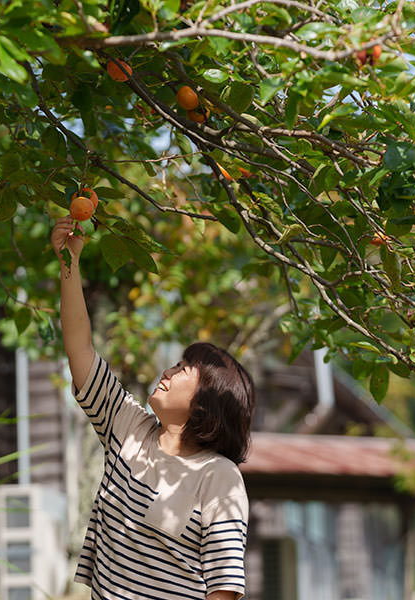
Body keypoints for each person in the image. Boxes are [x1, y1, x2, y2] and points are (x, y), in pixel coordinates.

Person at [51, 216, 256, 600]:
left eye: (183, 370)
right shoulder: (128, 424)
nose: (168, 371)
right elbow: (79, 348)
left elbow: (223, 590)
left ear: (206, 403)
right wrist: (69, 264)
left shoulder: (218, 477)